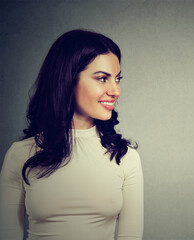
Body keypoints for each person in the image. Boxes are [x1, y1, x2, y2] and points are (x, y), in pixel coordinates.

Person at [0, 29, 143, 240]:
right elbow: (7, 234)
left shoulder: (125, 157)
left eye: (118, 79)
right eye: (102, 79)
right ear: (67, 80)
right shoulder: (21, 154)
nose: (116, 90)